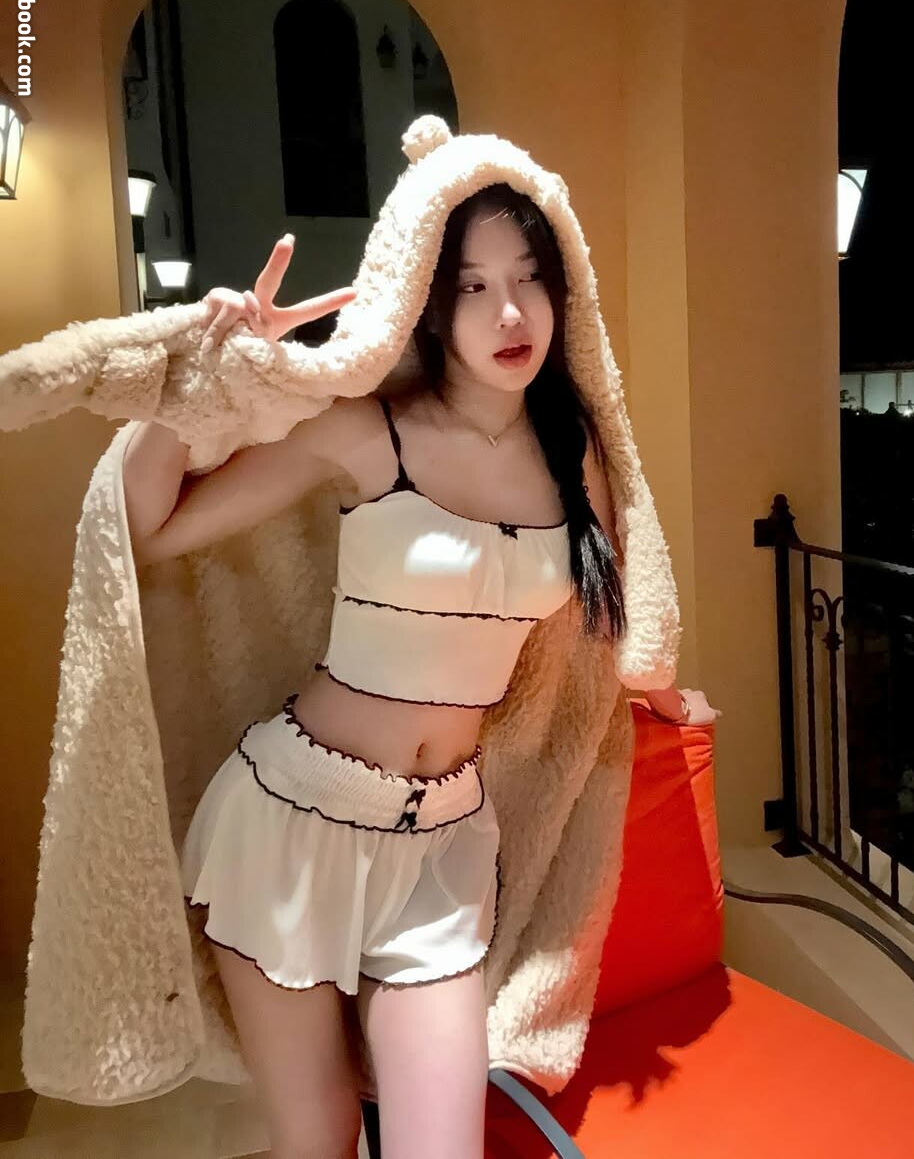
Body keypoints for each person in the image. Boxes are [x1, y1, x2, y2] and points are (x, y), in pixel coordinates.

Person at [122, 182, 718, 1159]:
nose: (510, 312)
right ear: (430, 304)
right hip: (292, 824)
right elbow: (154, 528)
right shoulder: (367, 428)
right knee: (319, 1139)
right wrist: (207, 375)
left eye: (529, 279)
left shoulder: (574, 458)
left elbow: (616, 609)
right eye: (474, 285)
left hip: (441, 845)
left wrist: (661, 687)